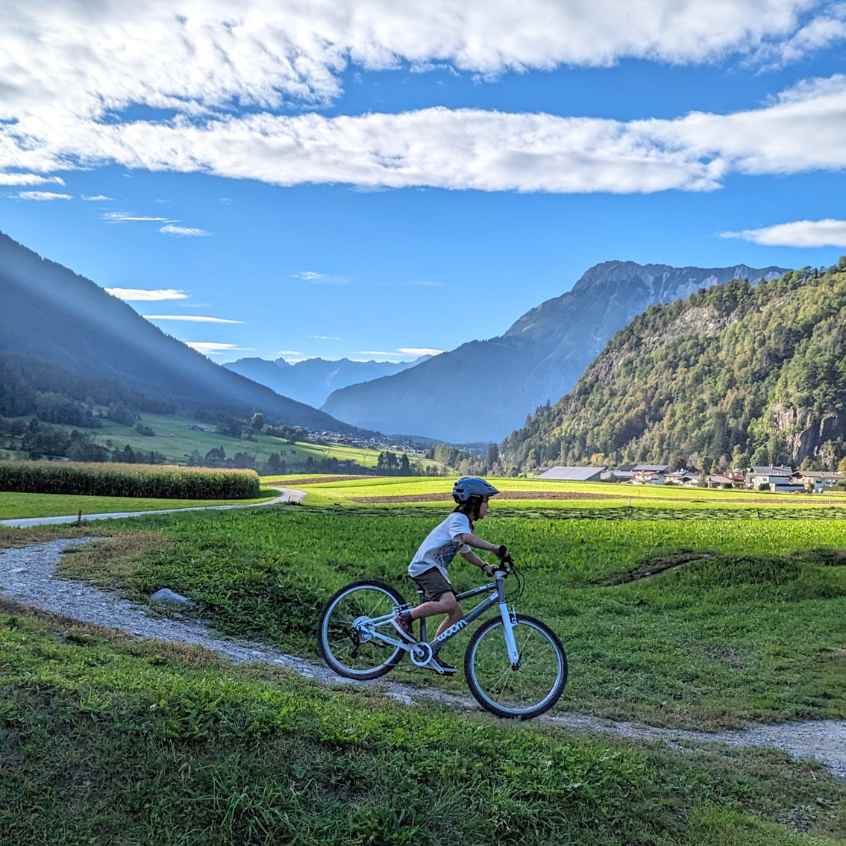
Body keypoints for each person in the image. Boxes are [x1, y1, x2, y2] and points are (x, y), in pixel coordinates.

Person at [392, 476, 508, 674]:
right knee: (449, 603)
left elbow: (465, 551)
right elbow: (465, 539)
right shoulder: (458, 520)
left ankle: (433, 651)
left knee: (456, 613)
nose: (488, 507)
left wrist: (484, 566)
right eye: (486, 501)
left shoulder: (463, 523)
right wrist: (494, 548)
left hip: (434, 568)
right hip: (425, 566)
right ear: (474, 501)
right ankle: (404, 618)